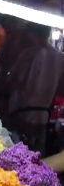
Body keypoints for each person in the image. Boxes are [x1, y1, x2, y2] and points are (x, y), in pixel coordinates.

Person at [8, 22, 64, 155]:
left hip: (23, 113)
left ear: (31, 34)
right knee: (37, 155)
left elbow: (14, 83)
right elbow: (61, 90)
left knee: (19, 154)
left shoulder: (28, 54)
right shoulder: (61, 58)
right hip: (44, 115)